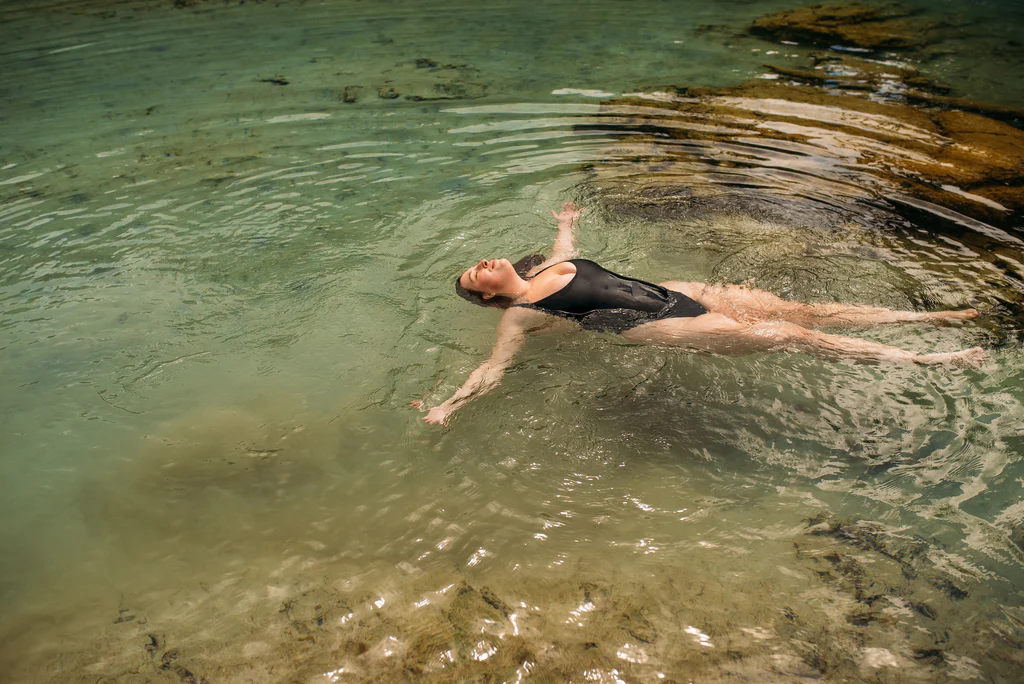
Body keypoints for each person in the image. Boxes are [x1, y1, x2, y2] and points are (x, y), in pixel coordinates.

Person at [413, 202, 984, 425]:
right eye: (474, 276)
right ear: (488, 297)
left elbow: (565, 247)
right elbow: (494, 369)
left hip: (678, 290)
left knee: (799, 308)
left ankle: (923, 320)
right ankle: (925, 358)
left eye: (477, 262)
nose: (481, 265)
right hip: (661, 325)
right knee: (790, 333)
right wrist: (448, 406)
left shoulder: (544, 269)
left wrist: (566, 221)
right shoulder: (519, 315)